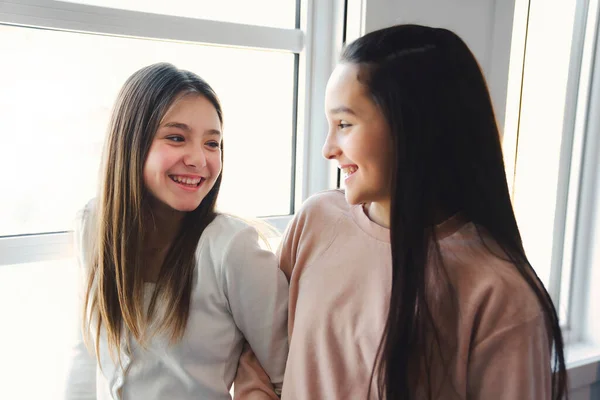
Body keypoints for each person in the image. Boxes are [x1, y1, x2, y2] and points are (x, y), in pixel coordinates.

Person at [236, 24, 567, 400]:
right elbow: (259, 356)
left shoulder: (502, 294)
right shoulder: (316, 220)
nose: (328, 148)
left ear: (413, 128)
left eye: (344, 124)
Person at [64, 62, 288, 400]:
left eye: (213, 143)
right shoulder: (93, 223)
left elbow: (288, 374)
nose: (199, 158)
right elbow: (87, 350)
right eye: (176, 137)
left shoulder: (233, 248)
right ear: (131, 143)